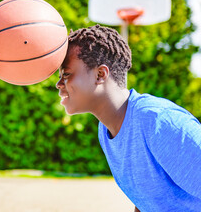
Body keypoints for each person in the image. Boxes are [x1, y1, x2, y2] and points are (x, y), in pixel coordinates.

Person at [56, 24, 201, 212]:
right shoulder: (107, 129)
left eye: (66, 74)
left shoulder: (159, 122)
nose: (59, 84)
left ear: (100, 74)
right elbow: (147, 198)